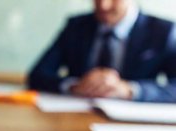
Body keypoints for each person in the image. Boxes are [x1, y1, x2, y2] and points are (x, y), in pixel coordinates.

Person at [28, 0, 176, 103]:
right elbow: (37, 75)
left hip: (134, 126)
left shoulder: (164, 31)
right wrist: (74, 86)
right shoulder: (76, 26)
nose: (103, 5)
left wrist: (130, 89)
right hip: (74, 120)